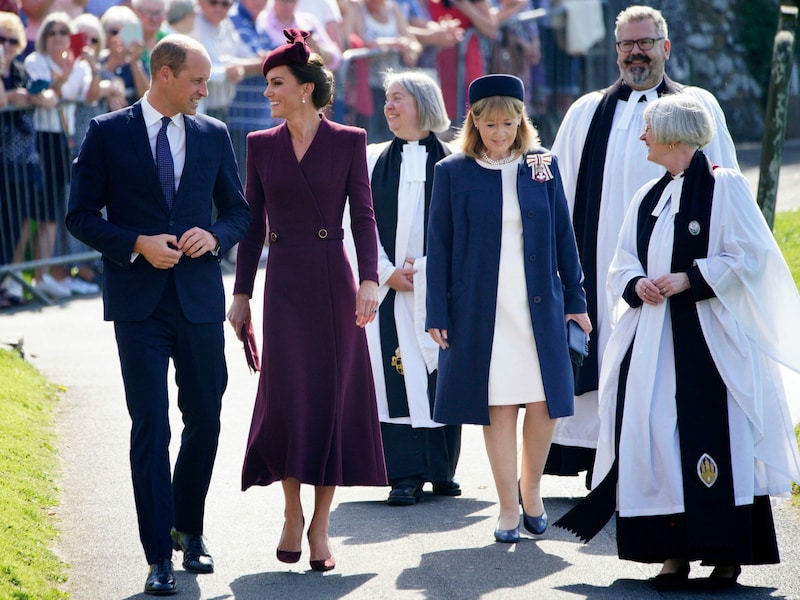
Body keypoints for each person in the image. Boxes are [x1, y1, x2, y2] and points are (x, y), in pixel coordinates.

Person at [555, 93, 800, 590]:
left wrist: (693, 278)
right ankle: (671, 554)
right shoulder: (648, 196)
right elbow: (621, 261)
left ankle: (726, 555)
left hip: (711, 340)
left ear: (673, 136)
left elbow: (752, 256)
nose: (641, 136)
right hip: (654, 343)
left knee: (715, 438)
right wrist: (636, 284)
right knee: (657, 437)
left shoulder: (725, 187)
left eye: (648, 129)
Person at [65, 34, 250, 595]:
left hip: (197, 302)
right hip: (137, 305)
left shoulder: (214, 134)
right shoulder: (107, 132)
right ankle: (157, 557)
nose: (205, 89)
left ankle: (188, 530)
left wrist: (213, 236)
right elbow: (80, 215)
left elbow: (239, 213)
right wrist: (136, 243)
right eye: (197, 79)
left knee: (207, 417)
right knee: (151, 425)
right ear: (164, 74)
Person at [545, 5, 739, 485]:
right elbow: (556, 195)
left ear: (665, 47)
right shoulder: (586, 112)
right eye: (627, 44)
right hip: (600, 271)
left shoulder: (698, 107)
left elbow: (726, 189)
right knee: (603, 360)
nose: (636, 52)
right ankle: (602, 464)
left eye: (646, 42)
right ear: (616, 52)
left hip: (672, 277)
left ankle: (661, 473)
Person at [226, 28, 387, 572]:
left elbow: (363, 215)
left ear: (305, 88)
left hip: (334, 282)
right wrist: (242, 293)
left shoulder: (349, 140)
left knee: (331, 402)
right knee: (290, 400)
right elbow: (250, 228)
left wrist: (370, 279)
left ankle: (321, 524)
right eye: (267, 83)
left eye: (276, 83)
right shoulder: (259, 145)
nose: (268, 92)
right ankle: (292, 511)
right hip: (285, 284)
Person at [425, 74, 590, 543]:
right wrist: (436, 310)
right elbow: (439, 243)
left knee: (544, 403)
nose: (501, 132)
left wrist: (576, 302)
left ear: (522, 119)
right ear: (474, 120)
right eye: (491, 123)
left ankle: (531, 492)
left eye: (510, 122)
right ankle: (505, 508)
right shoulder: (452, 172)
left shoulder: (542, 165)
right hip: (481, 307)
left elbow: (564, 238)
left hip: (538, 303)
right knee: (497, 405)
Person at [356, 70, 461, 505]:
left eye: (398, 98)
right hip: (391, 292)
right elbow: (356, 224)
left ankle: (441, 470)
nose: (389, 107)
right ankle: (403, 474)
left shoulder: (457, 161)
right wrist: (385, 273)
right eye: (386, 99)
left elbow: (468, 227)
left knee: (441, 376)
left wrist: (435, 273)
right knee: (396, 377)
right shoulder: (370, 159)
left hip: (440, 294)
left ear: (424, 103)